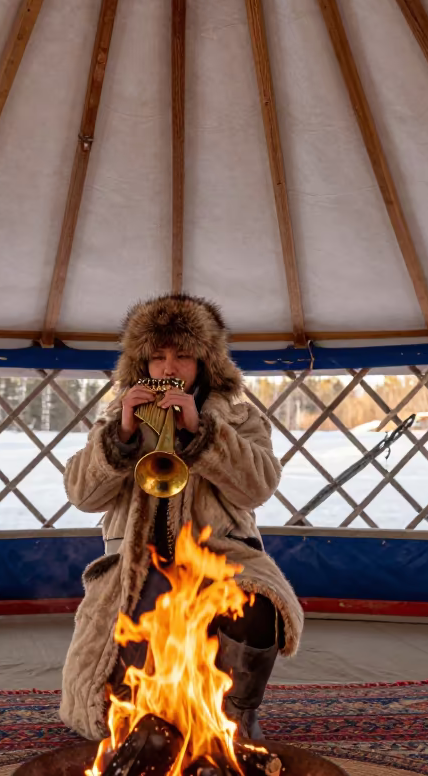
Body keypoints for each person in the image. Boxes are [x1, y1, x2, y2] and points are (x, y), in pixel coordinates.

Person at [60, 294, 304, 742]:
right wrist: (121, 436)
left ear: (205, 362)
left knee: (261, 605)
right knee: (117, 710)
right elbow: (81, 494)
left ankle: (237, 715)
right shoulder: (118, 417)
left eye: (182, 356)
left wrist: (203, 434)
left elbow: (259, 486)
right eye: (158, 357)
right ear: (143, 364)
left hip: (220, 559)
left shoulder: (239, 417)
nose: (169, 369)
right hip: (137, 566)